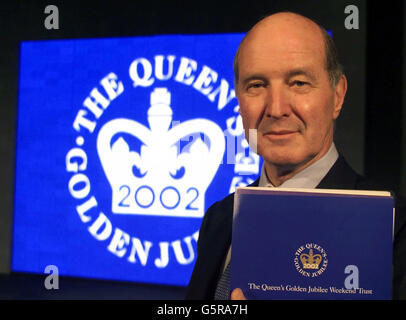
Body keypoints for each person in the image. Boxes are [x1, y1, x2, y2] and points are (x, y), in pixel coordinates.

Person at [185, 12, 406, 300]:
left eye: (299, 83)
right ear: (239, 101)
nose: (276, 109)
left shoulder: (394, 229)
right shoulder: (219, 218)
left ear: (337, 96)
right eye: (256, 85)